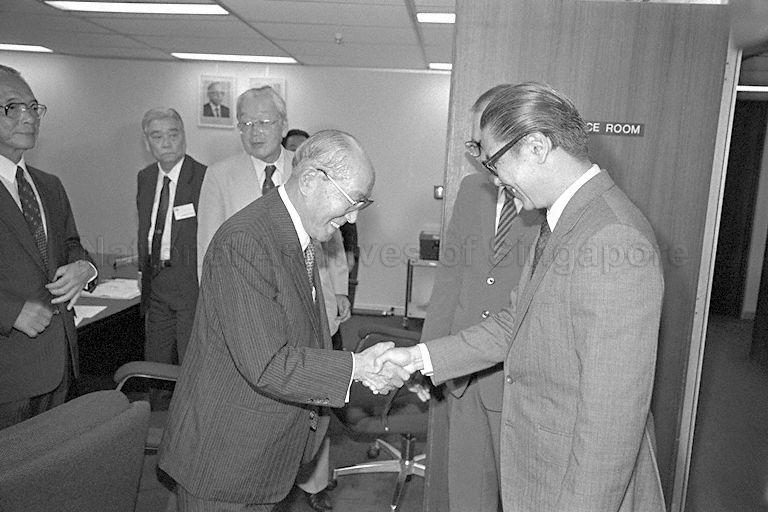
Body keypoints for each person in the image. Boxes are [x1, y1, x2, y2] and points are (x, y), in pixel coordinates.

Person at [378, 82, 666, 512]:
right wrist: (421, 358)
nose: (493, 178)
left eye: (495, 162)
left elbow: (611, 422)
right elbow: (517, 321)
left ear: (535, 146)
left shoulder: (612, 238)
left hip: (575, 490)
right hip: (541, 474)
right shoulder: (562, 218)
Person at [158, 129, 407, 511]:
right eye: (352, 201)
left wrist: (356, 370)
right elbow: (269, 363)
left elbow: (303, 337)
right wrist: (357, 367)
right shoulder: (246, 242)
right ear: (310, 180)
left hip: (262, 454)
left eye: (363, 204)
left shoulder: (297, 236)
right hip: (224, 461)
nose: (353, 216)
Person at [196, 88, 350, 511]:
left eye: (263, 122)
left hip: (311, 304)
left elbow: (332, 241)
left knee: (313, 393)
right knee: (267, 397)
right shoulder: (220, 175)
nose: (254, 131)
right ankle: (267, 476)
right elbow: (206, 250)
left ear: (283, 124)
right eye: (245, 123)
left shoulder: (307, 170)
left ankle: (315, 485)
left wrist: (337, 293)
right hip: (252, 310)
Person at [419, 85, 542, 512]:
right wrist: (428, 357)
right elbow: (450, 281)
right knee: (465, 496)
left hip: (517, 383)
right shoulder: (473, 190)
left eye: (487, 147)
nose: (482, 159)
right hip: (462, 374)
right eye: (476, 146)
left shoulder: (547, 203)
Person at [0, 65, 97, 429]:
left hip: (61, 364)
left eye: (33, 107)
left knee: (50, 478)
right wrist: (9, 313)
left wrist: (85, 269)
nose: (28, 118)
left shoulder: (49, 185)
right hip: (9, 372)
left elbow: (73, 247)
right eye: (12, 107)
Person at [136, 108, 206, 378]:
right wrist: (143, 271)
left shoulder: (203, 177)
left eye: (172, 134)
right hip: (156, 281)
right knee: (155, 359)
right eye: (157, 136)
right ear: (147, 143)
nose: (166, 142)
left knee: (191, 360)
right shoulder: (145, 177)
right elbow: (146, 228)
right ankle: (154, 415)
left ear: (184, 136)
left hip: (190, 282)